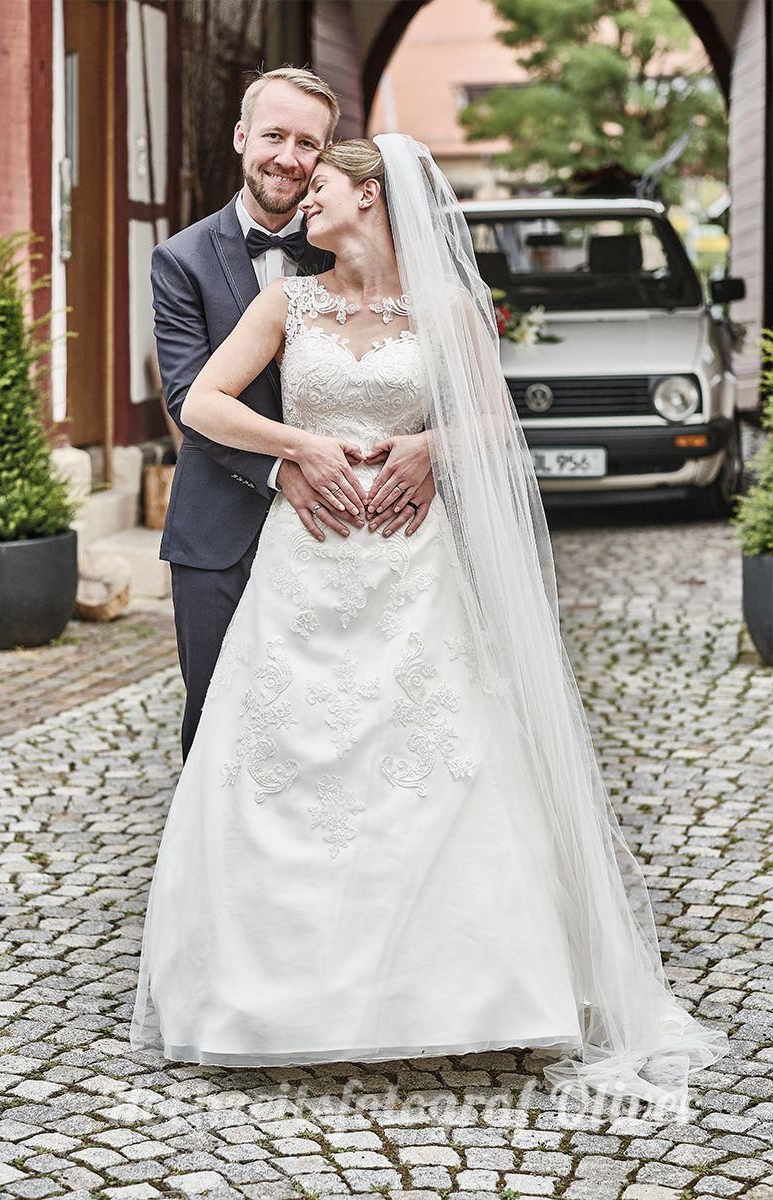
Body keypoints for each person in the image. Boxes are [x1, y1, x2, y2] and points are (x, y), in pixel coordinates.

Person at [131, 134, 729, 1116]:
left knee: (435, 760)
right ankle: (270, 1001)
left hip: (413, 568)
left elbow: (492, 421)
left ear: (367, 197)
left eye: (318, 188)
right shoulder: (287, 301)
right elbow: (203, 401)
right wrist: (297, 448)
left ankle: (464, 992)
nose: (301, 202)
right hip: (307, 568)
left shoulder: (444, 309)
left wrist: (427, 442)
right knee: (285, 767)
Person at [152, 67, 435, 760]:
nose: (288, 157)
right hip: (221, 524)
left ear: (328, 157)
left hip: (358, 532)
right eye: (273, 135)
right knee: (219, 722)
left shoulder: (346, 238)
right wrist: (290, 461)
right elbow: (191, 397)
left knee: (358, 725)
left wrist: (434, 444)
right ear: (243, 137)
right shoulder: (180, 259)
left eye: (307, 143)